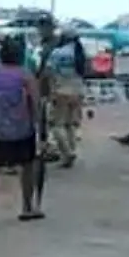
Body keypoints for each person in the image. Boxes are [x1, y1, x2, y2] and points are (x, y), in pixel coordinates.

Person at [0, 38, 43, 224]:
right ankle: (27, 207)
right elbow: (35, 103)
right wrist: (38, 127)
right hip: (20, 130)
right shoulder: (25, 76)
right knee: (27, 167)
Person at [41, 33, 86, 168]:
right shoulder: (80, 53)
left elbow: (48, 73)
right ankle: (72, 151)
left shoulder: (57, 53)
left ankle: (67, 153)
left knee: (56, 125)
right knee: (70, 124)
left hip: (61, 91)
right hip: (78, 91)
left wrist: (49, 91)